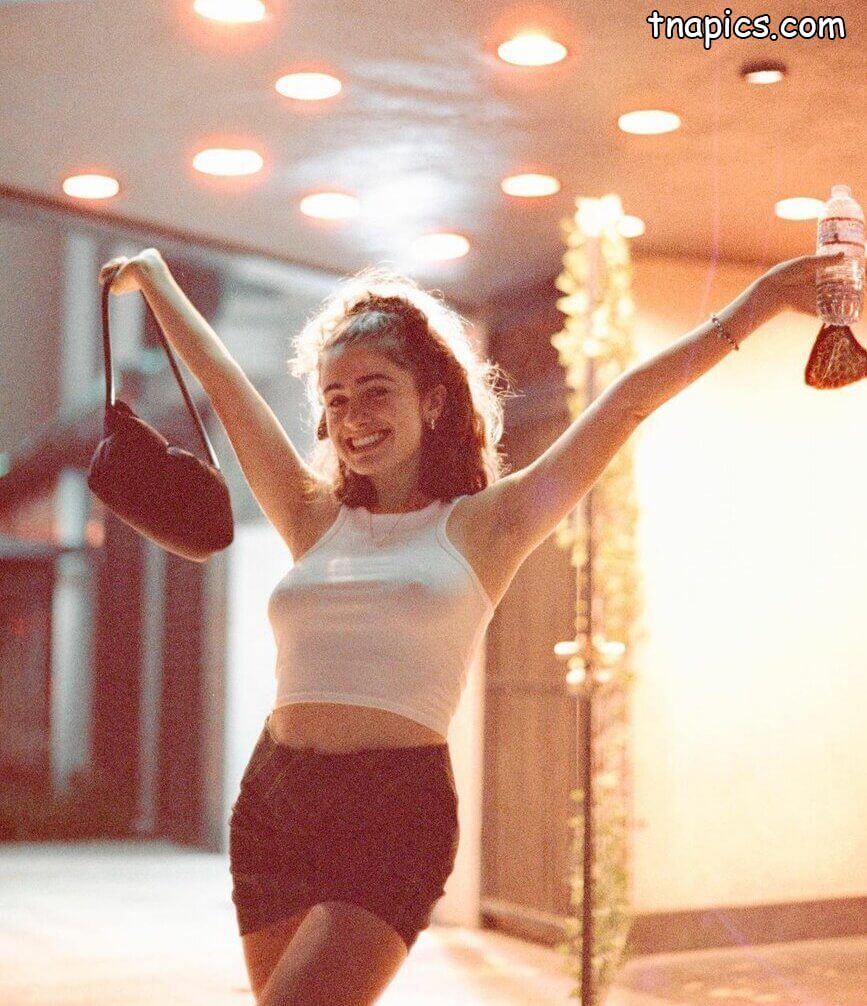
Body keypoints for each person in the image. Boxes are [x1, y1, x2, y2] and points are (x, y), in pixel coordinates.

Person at [98, 246, 843, 1005]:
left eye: (376, 390)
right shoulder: (310, 514)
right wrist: (156, 280)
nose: (353, 417)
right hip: (274, 802)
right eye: (336, 398)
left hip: (394, 811)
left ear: (432, 402)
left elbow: (625, 404)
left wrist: (761, 300)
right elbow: (225, 387)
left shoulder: (490, 525)